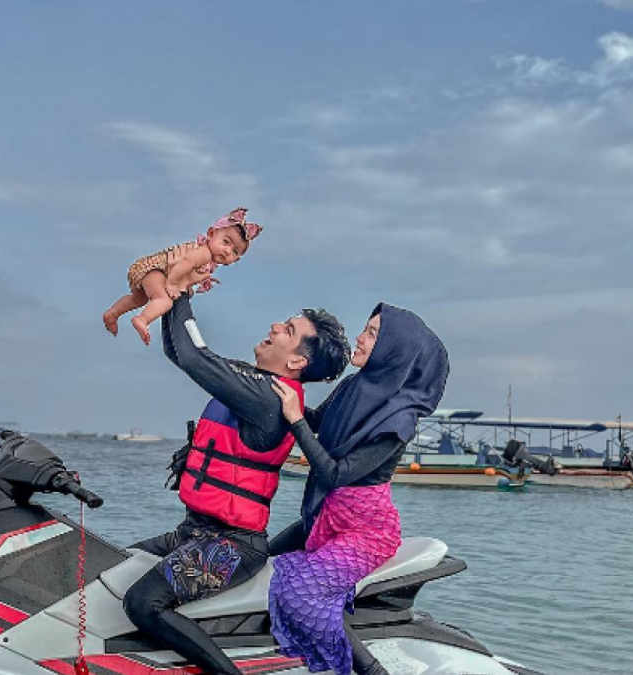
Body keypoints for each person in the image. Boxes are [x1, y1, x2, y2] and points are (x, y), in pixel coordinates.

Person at [122, 291, 351, 675]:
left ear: (297, 361)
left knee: (143, 603)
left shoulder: (265, 398)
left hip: (230, 546)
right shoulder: (257, 383)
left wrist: (180, 288)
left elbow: (194, 356)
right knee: (114, 565)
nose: (274, 327)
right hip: (193, 533)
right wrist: (173, 296)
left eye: (288, 329)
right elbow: (181, 353)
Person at [267, 303, 449, 675]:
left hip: (365, 533)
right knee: (262, 558)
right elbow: (314, 421)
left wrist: (295, 419)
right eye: (365, 329)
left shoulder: (399, 421)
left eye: (372, 334)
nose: (360, 338)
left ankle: (368, 671)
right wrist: (276, 386)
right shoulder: (353, 387)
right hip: (326, 518)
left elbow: (335, 473)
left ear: (393, 351)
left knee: (301, 592)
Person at [103, 207, 262, 345]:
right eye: (226, 242)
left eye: (235, 251)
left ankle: (113, 313)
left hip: (145, 269)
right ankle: (142, 319)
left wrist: (187, 286)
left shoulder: (208, 258)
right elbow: (186, 262)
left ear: (237, 259)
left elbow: (187, 272)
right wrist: (172, 283)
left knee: (138, 299)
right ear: (211, 234)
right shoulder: (204, 253)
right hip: (155, 269)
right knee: (164, 301)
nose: (227, 251)